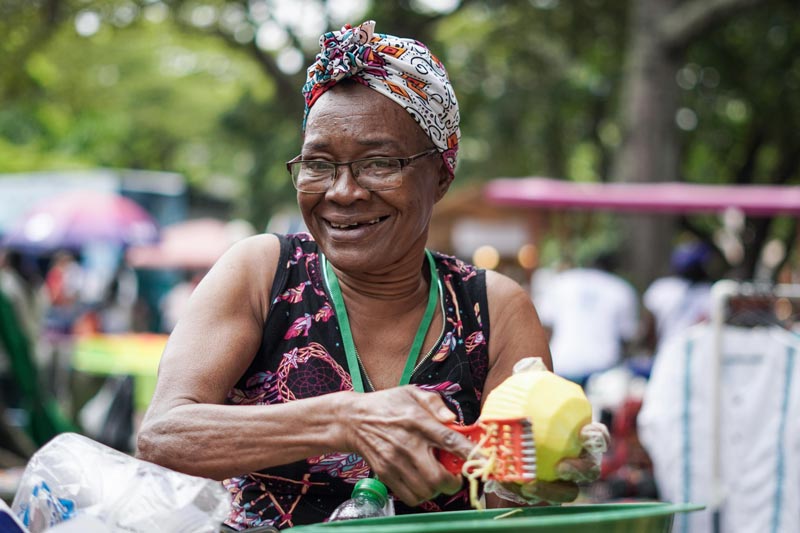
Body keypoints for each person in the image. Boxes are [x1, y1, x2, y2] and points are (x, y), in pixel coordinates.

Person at [136, 20, 606, 531]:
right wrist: (344, 419)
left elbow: (506, 507)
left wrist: (537, 478)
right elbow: (164, 435)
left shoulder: (491, 308)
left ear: (442, 174)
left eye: (379, 162)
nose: (342, 191)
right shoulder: (262, 272)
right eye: (318, 163)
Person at [536, 252, 638, 386]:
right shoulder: (621, 289)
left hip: (562, 364)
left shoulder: (561, 283)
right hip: (604, 369)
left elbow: (545, 329)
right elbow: (627, 337)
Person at [641, 241, 714, 352]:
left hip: (666, 353)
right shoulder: (711, 293)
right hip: (694, 355)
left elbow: (649, 330)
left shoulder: (661, 288)